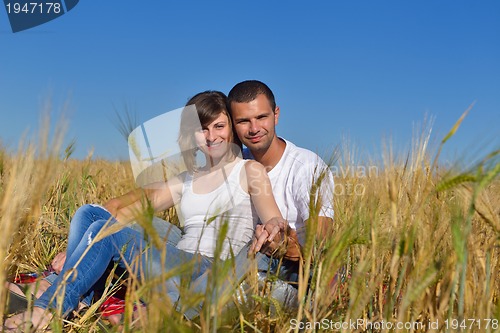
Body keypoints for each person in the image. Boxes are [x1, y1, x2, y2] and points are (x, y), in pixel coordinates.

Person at [4, 90, 287, 330]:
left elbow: (273, 216)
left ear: (231, 129)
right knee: (89, 214)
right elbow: (134, 213)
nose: (211, 136)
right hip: (174, 260)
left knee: (104, 232)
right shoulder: (186, 179)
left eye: (219, 126)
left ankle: (47, 309)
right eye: (202, 129)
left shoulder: (249, 170)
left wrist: (274, 227)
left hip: (207, 268)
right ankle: (78, 295)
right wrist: (81, 246)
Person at [183, 80, 335, 318]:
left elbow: (323, 243)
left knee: (249, 256)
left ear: (276, 115)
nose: (254, 128)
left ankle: (173, 315)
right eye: (243, 121)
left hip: (288, 269)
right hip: (233, 258)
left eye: (261, 117)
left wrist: (286, 245)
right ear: (233, 124)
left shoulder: (306, 167)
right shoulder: (233, 161)